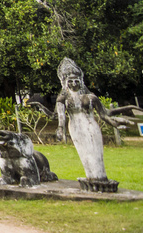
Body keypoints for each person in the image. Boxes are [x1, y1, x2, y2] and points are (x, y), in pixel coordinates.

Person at [55, 57, 139, 189]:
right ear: (65, 82)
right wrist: (60, 129)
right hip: (75, 127)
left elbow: (105, 114)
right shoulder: (63, 98)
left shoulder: (90, 97)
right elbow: (61, 117)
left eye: (76, 80)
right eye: (70, 81)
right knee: (85, 155)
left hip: (90, 125)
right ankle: (92, 179)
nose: (74, 83)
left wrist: (116, 122)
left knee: (96, 153)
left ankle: (100, 179)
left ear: (81, 81)